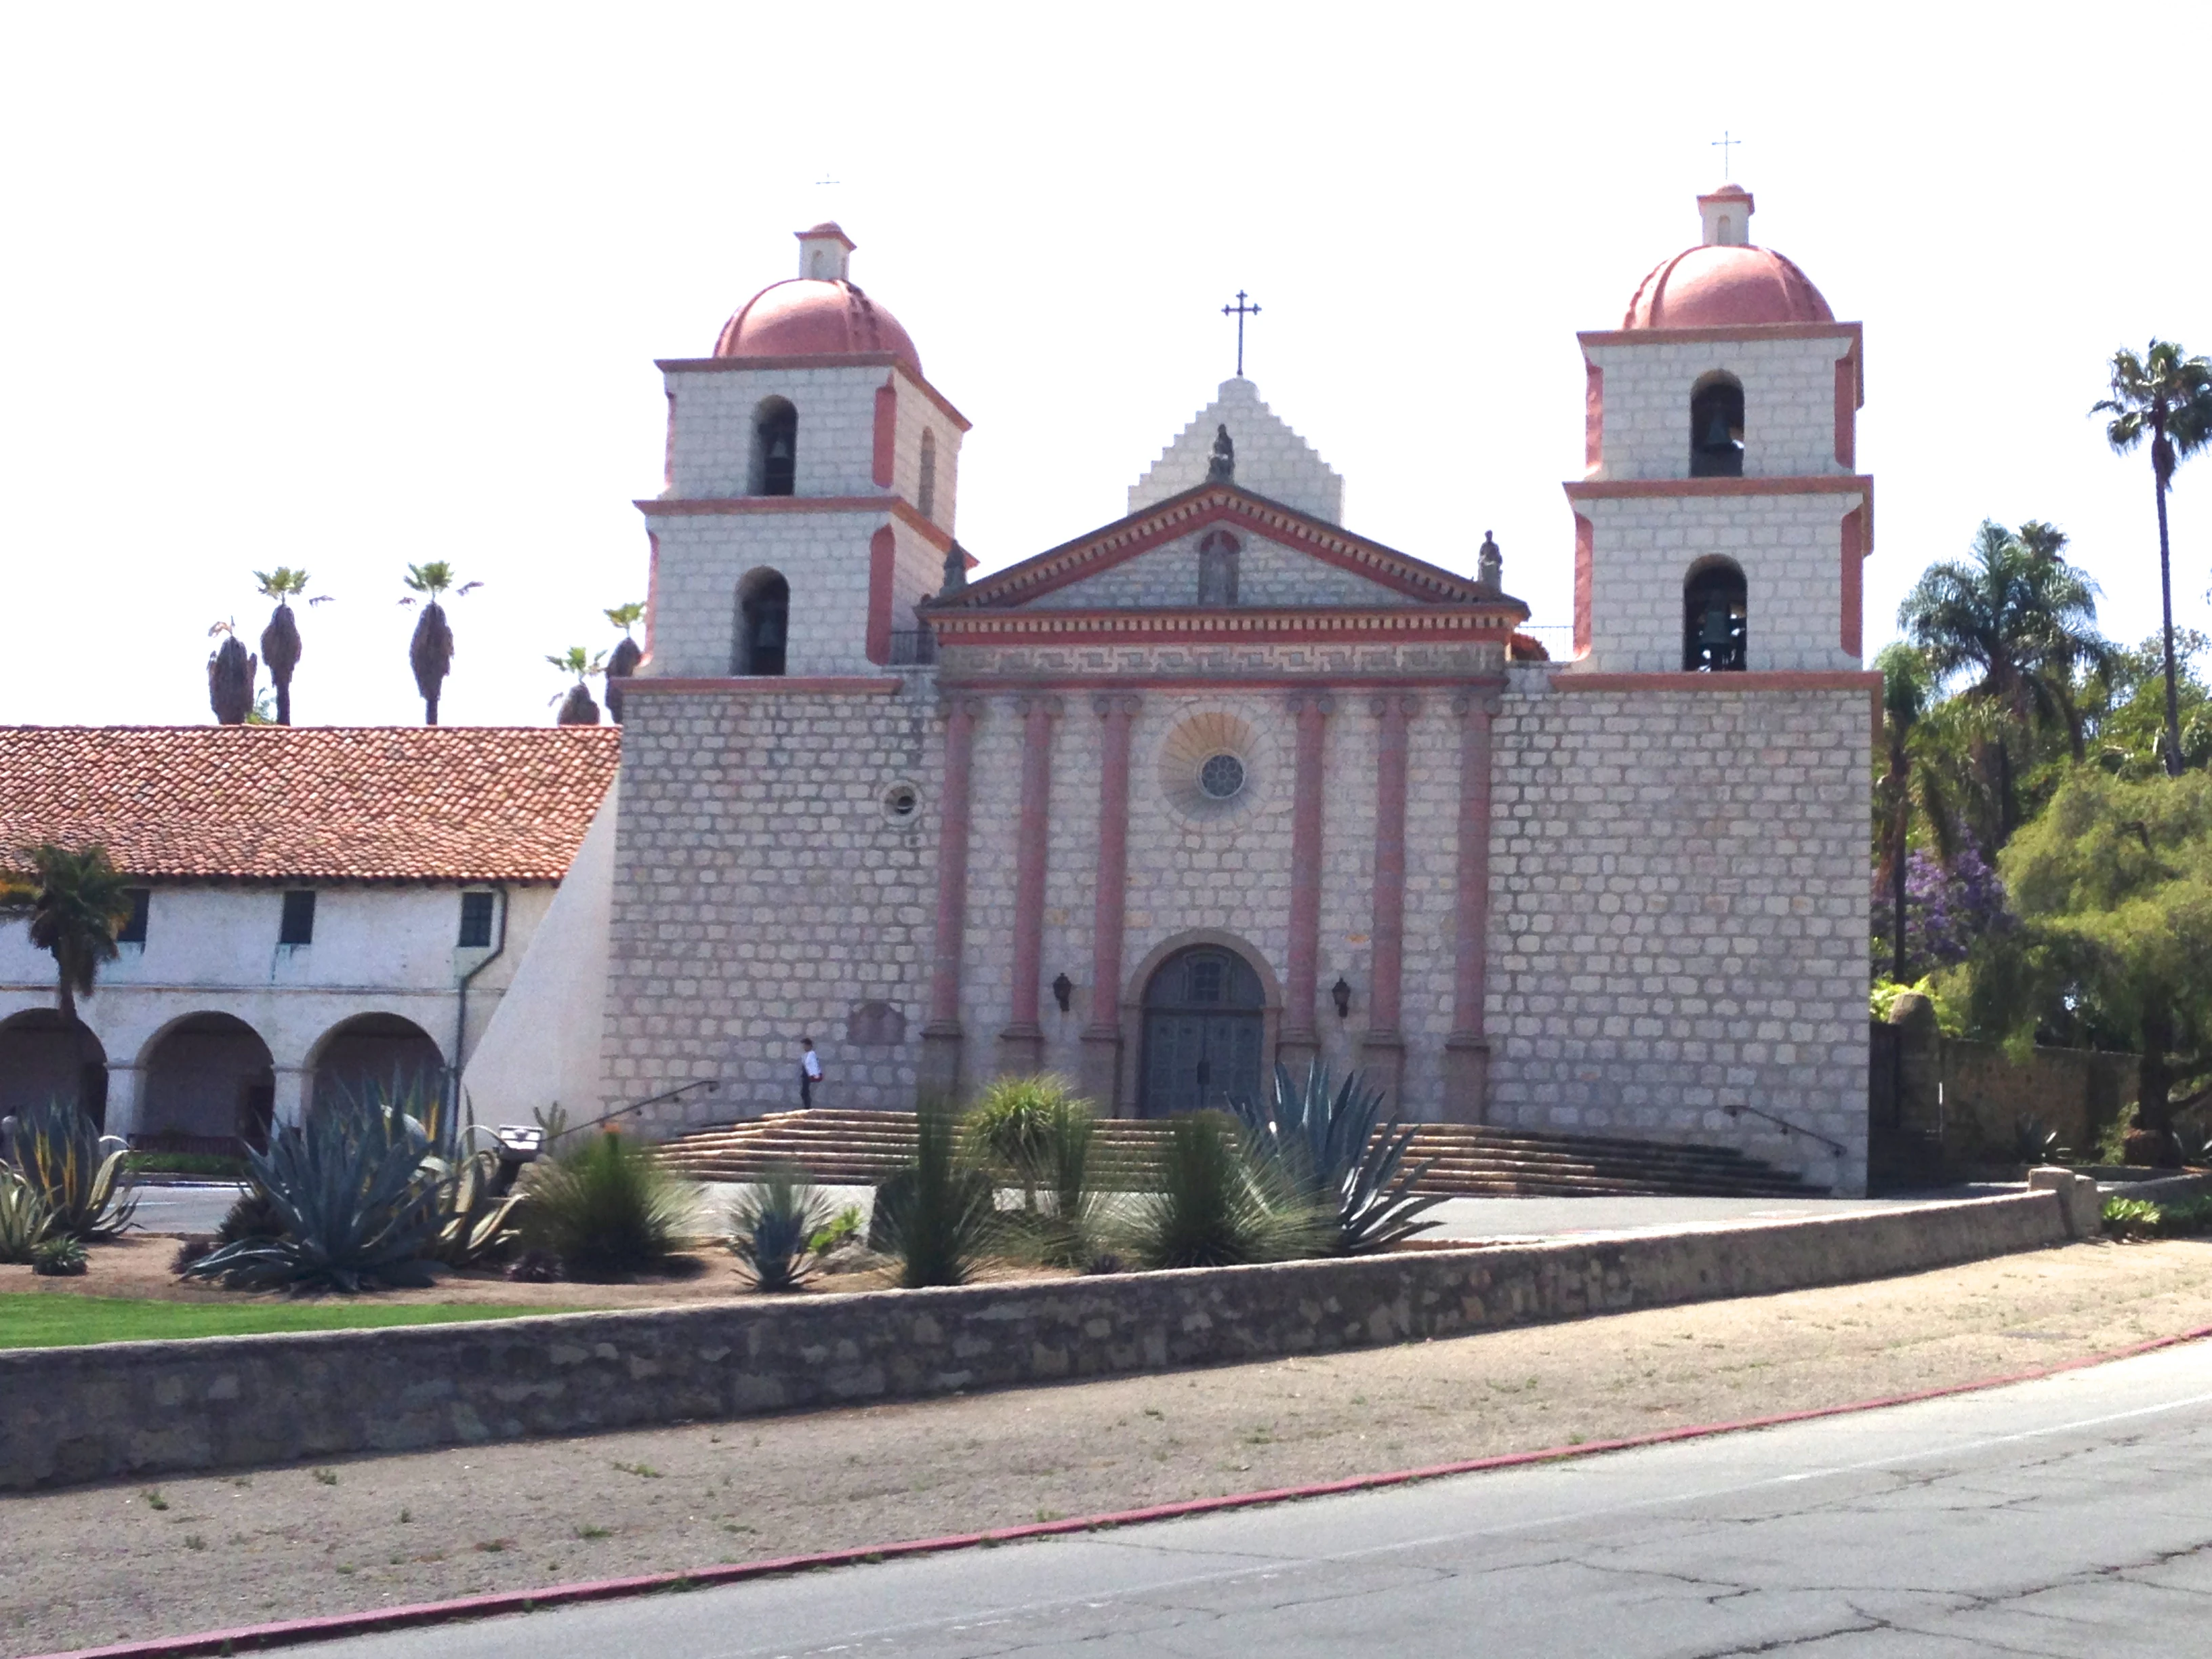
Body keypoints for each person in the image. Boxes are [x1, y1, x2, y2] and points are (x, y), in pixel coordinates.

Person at [800, 1038, 823, 1109]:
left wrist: (815, 1075)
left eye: (805, 1045)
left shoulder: (812, 1055)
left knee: (805, 1092)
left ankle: (807, 1107)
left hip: (809, 1075)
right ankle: (806, 1106)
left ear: (809, 1046)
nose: (804, 1047)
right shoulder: (806, 1055)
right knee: (804, 1092)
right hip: (806, 1075)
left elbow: (814, 1065)